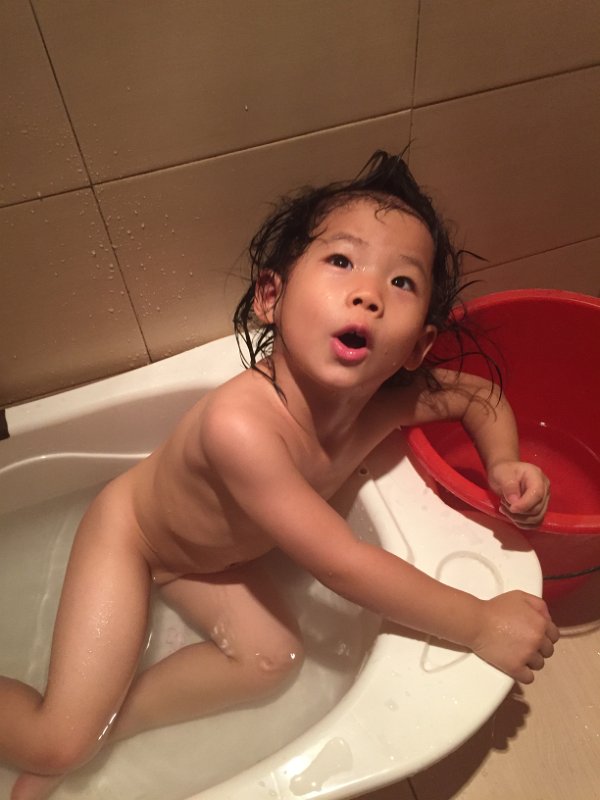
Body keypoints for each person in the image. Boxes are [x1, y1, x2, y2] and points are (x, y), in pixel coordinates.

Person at [0, 151, 557, 800]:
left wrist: (504, 463)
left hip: (210, 561)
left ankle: (112, 729)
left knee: (272, 661)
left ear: (418, 346)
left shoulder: (384, 404)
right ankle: (68, 744)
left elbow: (479, 397)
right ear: (272, 297)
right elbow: (343, 564)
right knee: (59, 739)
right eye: (341, 261)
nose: (368, 293)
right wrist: (478, 623)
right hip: (135, 542)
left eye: (402, 281)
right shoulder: (241, 426)